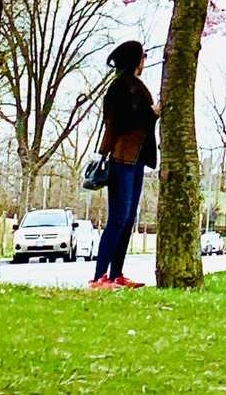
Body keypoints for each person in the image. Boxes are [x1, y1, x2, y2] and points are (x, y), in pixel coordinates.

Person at [89, 40, 158, 291]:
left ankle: (116, 273)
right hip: (122, 158)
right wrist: (152, 113)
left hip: (137, 158)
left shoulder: (136, 86)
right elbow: (120, 122)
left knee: (128, 219)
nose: (145, 61)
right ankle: (99, 277)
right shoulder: (119, 88)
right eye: (143, 57)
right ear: (134, 60)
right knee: (118, 218)